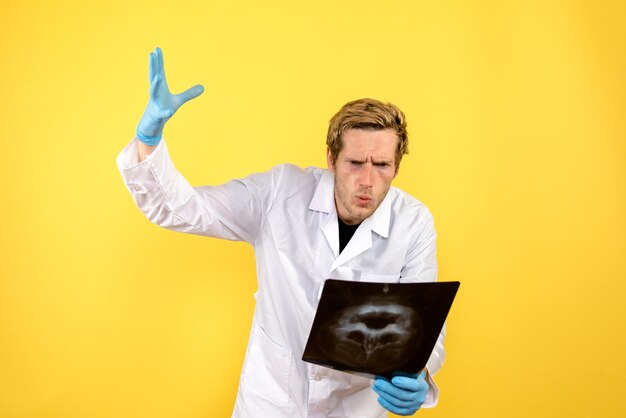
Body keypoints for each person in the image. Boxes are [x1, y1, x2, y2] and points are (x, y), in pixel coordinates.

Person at [117, 47, 446, 418]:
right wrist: (149, 138)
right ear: (330, 158)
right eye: (354, 162)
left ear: (397, 165)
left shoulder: (415, 223)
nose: (367, 180)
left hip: (355, 409)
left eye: (383, 165)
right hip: (271, 404)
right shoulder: (278, 192)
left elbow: (424, 326)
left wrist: (418, 374)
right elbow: (184, 210)